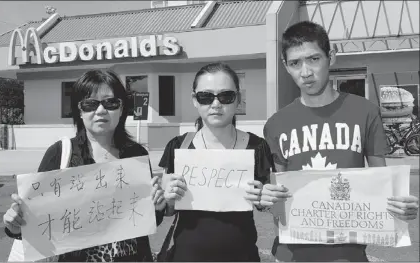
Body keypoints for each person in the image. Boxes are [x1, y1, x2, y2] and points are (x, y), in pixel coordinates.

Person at [263, 21, 419, 262]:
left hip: (348, 253)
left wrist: (402, 208)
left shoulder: (365, 112)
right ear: (285, 66)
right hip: (291, 253)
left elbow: (383, 183)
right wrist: (268, 198)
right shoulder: (275, 124)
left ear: (331, 57)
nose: (305, 72)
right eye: (295, 63)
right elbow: (279, 196)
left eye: (314, 59)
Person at [3, 70, 166, 262]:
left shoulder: (136, 154)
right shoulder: (61, 154)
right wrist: (15, 225)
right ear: (79, 111)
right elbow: (37, 224)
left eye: (110, 102)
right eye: (90, 104)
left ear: (121, 109)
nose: (100, 111)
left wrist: (157, 207)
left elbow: (146, 219)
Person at [158, 62, 286, 262]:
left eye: (225, 96)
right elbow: (168, 210)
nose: (216, 104)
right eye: (206, 96)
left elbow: (266, 203)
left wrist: (265, 199)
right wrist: (167, 198)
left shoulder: (257, 146)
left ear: (238, 100)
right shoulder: (178, 146)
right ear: (194, 99)